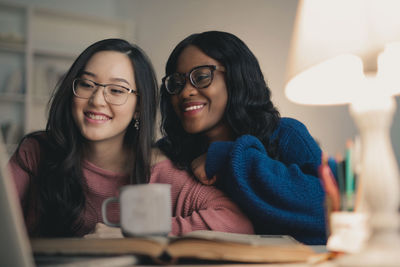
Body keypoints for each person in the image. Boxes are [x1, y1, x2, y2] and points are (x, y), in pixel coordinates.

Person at [8, 38, 253, 237]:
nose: (97, 100)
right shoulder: (37, 151)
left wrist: (136, 232)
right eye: (87, 84)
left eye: (116, 90)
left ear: (139, 106)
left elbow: (236, 223)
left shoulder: (160, 172)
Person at [158, 31, 326, 245]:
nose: (185, 92)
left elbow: (326, 209)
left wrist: (229, 157)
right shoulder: (169, 153)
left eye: (200, 77)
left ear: (237, 77)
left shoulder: (285, 134)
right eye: (177, 82)